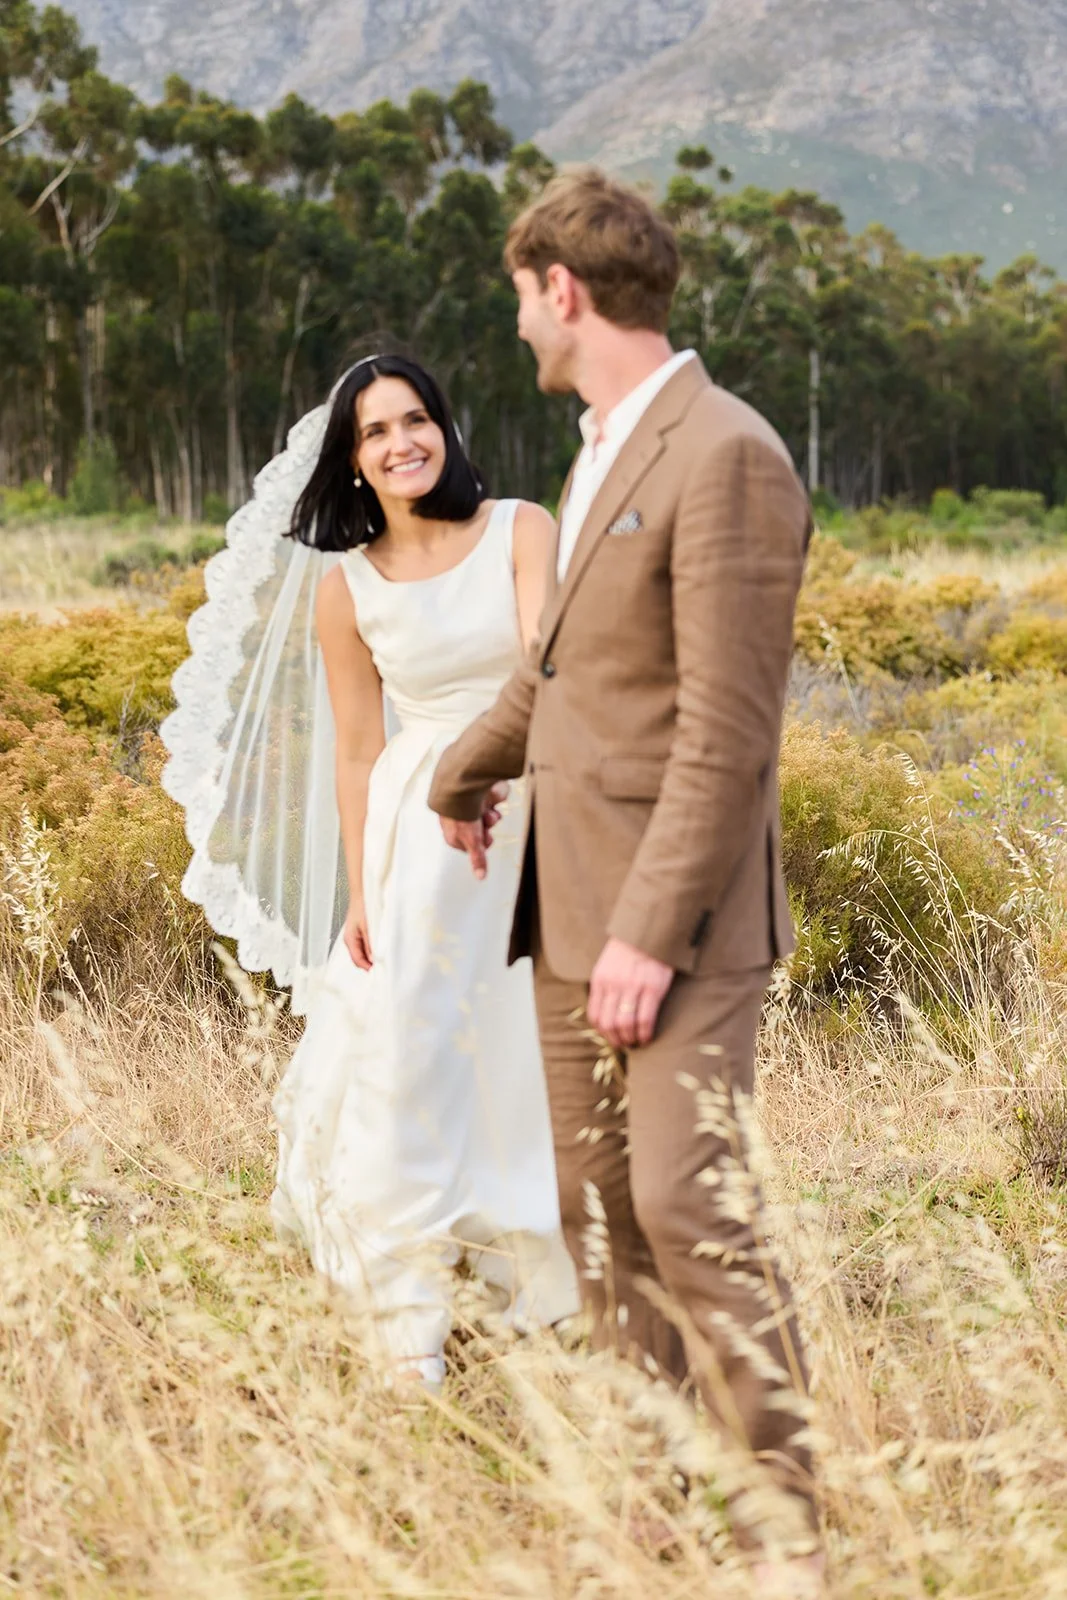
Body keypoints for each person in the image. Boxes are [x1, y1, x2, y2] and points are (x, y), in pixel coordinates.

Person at [428, 172, 824, 1585]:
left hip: (677, 923)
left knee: (686, 1211)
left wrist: (651, 934)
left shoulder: (727, 454)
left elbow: (727, 731)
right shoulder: (602, 449)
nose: (520, 326)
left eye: (520, 299)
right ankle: (663, 1516)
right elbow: (561, 680)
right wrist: (460, 772)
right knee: (597, 1215)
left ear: (562, 291)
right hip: (566, 906)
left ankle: (782, 1534)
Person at [163, 354, 577, 1393]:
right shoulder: (346, 589)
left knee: (526, 1043)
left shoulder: (522, 530)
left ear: (444, 427)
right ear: (352, 462)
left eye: (415, 418)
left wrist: (495, 768)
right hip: (414, 837)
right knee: (420, 1050)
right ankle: (411, 1326)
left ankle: (535, 1292)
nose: (401, 442)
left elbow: (547, 670)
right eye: (375, 431)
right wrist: (359, 888)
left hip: (529, 806)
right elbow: (355, 748)